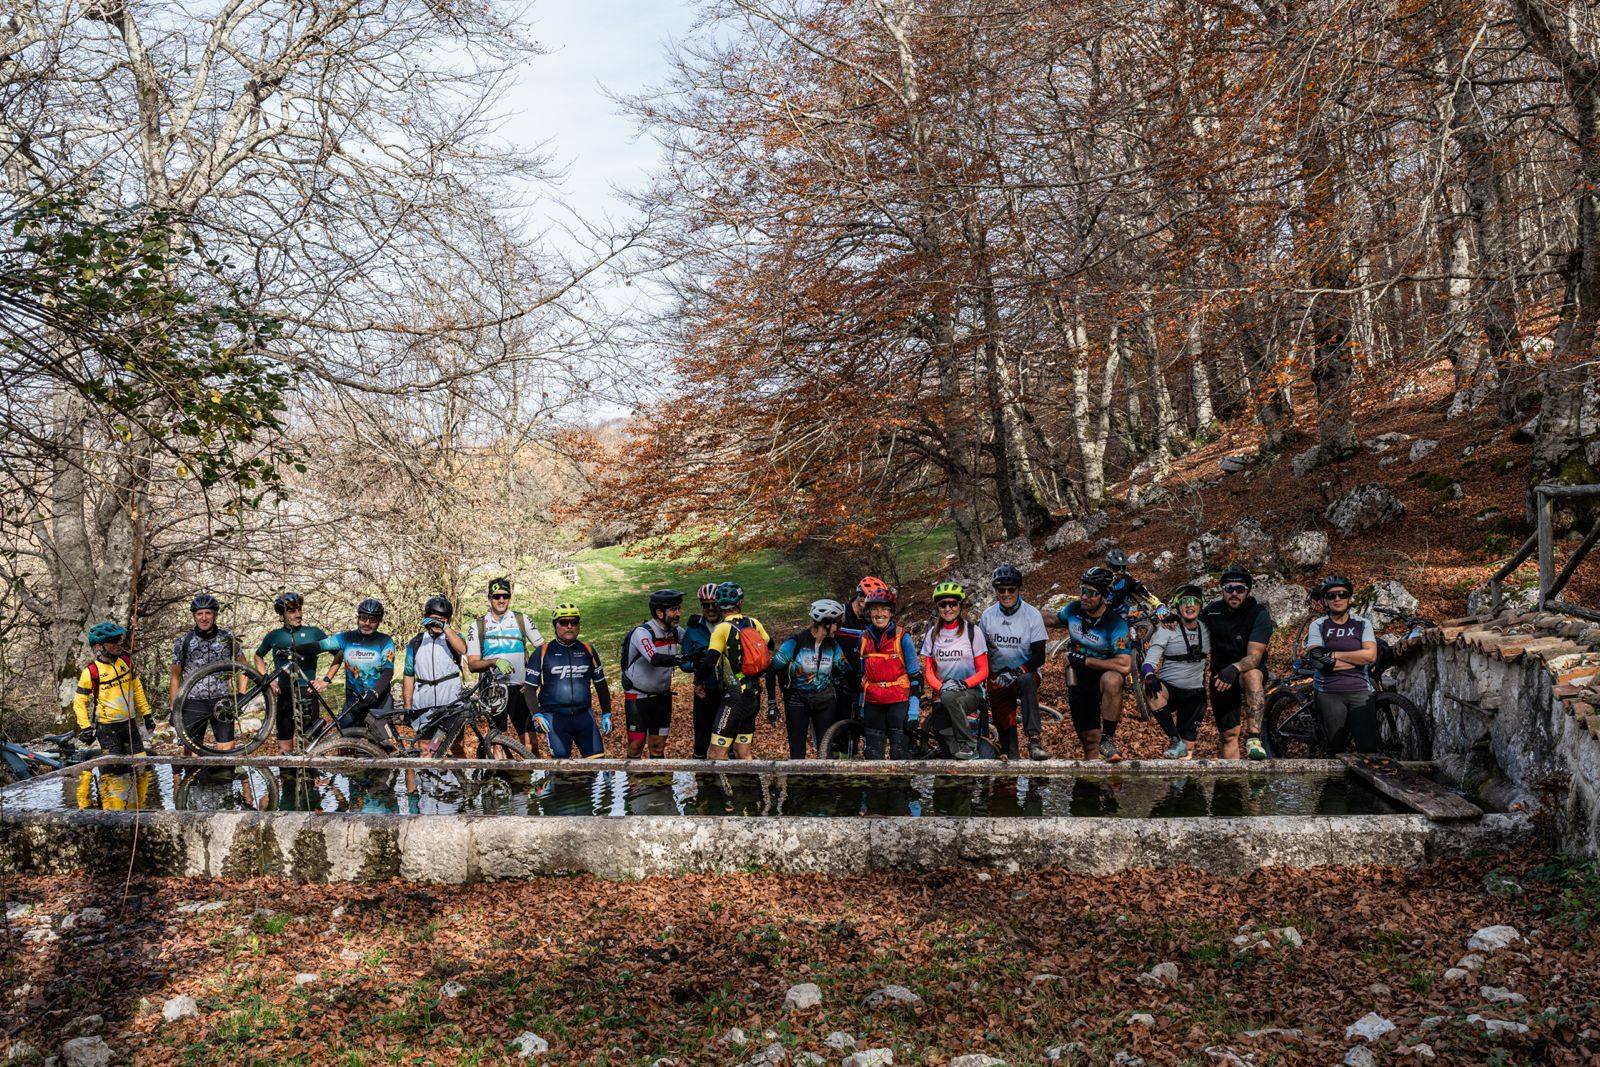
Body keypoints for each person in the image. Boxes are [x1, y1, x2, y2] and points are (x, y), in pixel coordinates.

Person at [1054, 567, 1133, 760]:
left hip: (1102, 676)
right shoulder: (1073, 609)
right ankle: (1092, 783)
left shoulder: (1116, 625)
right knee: (1089, 739)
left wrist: (1086, 660)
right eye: (1082, 590)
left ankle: (1108, 738)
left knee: (1113, 679)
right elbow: (1051, 619)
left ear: (1103, 596)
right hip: (1079, 678)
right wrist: (1021, 612)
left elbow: (1124, 665)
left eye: (1091, 593)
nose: (1084, 597)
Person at [1199, 564, 1275, 760]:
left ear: (1247, 591)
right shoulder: (1211, 612)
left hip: (1245, 670)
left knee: (1251, 674)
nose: (1234, 593)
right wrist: (1172, 619)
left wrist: (1235, 668)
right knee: (1228, 736)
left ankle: (1254, 738)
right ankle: (1230, 784)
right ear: (1222, 590)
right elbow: (1190, 628)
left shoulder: (1258, 614)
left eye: (1240, 589)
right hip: (1220, 676)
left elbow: (1255, 657)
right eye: (1229, 588)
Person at [696, 581, 777, 760]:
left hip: (733, 698)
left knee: (715, 753)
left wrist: (698, 682)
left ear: (718, 604)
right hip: (753, 696)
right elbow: (770, 644)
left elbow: (710, 661)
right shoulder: (753, 623)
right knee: (743, 751)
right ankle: (748, 788)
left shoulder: (722, 629)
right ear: (740, 602)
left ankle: (725, 789)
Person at [978, 564, 1050, 760]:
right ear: (996, 591)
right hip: (997, 675)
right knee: (1008, 741)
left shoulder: (1032, 614)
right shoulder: (988, 616)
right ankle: (1011, 754)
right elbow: (980, 651)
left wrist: (1017, 671)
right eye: (1002, 590)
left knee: (1026, 680)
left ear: (1018, 589)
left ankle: (1034, 740)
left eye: (1011, 589)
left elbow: (1039, 656)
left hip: (1024, 672)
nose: (1007, 594)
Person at [465, 577, 544, 752]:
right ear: (489, 598)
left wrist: (534, 680)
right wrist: (493, 661)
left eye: (505, 596)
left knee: (531, 742)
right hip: (493, 689)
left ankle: (533, 778)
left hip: (521, 687)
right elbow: (472, 664)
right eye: (496, 596)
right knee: (497, 743)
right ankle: (501, 778)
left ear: (510, 597)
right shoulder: (477, 626)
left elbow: (543, 651)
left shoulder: (521, 619)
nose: (501, 600)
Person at [1304, 574, 1380, 753]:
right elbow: (1318, 659)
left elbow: (1370, 656)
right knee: (1336, 748)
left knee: (1368, 747)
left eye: (1342, 594)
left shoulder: (1362, 623)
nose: (1337, 598)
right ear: (1325, 601)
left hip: (1360, 689)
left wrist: (1334, 654)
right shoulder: (1318, 625)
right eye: (1331, 596)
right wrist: (1356, 661)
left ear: (1349, 598)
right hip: (1329, 691)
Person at [526, 603, 613, 759]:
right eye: (564, 622)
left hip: (584, 717)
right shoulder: (543, 652)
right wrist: (537, 714)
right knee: (561, 771)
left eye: (574, 622)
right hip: (555, 719)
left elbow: (601, 685)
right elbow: (529, 688)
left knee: (598, 765)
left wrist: (606, 712)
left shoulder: (588, 650)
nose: (569, 626)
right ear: (555, 625)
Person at [308, 598, 398, 742]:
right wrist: (292, 650)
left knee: (382, 745)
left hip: (379, 700)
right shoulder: (346, 638)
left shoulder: (385, 640)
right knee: (344, 742)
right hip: (353, 701)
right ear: (358, 618)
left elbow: (388, 671)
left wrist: (375, 691)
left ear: (379, 621)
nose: (367, 623)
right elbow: (319, 646)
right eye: (363, 618)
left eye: (372, 619)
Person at [773, 599, 851, 758]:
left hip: (825, 700)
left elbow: (845, 670)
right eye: (836, 624)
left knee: (825, 750)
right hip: (797, 701)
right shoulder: (795, 643)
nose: (838, 628)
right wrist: (771, 703)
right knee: (797, 752)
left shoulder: (833, 646)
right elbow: (772, 669)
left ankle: (821, 781)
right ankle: (797, 782)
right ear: (826, 623)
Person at [918, 581, 988, 760]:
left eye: (953, 603)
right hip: (943, 693)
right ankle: (958, 762)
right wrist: (942, 688)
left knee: (949, 697)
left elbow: (984, 671)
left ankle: (969, 745)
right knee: (947, 745)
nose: (948, 608)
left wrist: (962, 683)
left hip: (971, 692)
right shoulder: (932, 634)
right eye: (943, 604)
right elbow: (929, 672)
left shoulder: (973, 632)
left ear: (960, 606)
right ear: (938, 607)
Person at [255, 591, 331, 753]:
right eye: (292, 611)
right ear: (282, 615)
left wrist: (326, 679)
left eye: (299, 609)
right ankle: (287, 777)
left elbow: (338, 652)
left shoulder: (314, 632)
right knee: (284, 747)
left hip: (308, 692)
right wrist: (267, 679)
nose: (298, 614)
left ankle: (310, 778)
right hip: (284, 693)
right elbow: (258, 656)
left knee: (310, 748)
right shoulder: (274, 636)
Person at [1141, 583, 1210, 759]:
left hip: (1195, 694)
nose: (1189, 605)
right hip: (1170, 689)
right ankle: (1174, 740)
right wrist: (1149, 674)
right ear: (1178, 606)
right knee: (1150, 689)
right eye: (1185, 601)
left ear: (1200, 605)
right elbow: (1149, 661)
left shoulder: (1208, 628)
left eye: (1194, 601)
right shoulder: (1167, 628)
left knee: (1187, 752)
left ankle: (1180, 785)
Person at [856, 585, 922, 760]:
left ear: (891, 612)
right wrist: (861, 710)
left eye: (884, 609)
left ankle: (901, 789)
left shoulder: (903, 638)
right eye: (875, 609)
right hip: (873, 704)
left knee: (899, 754)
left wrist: (914, 713)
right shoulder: (863, 638)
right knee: (872, 756)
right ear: (869, 612)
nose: (879, 614)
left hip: (898, 702)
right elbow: (863, 678)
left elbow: (916, 679)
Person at [170, 594, 240, 751]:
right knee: (192, 750)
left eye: (208, 613)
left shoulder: (227, 638)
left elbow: (243, 667)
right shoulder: (183, 641)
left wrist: (241, 694)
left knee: (227, 748)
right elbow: (175, 676)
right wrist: (174, 707)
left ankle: (225, 776)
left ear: (215, 615)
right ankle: (193, 776)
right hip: (193, 700)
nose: (204, 618)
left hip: (221, 699)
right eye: (199, 614)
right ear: (194, 616)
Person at [621, 589, 685, 758]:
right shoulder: (642, 632)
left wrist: (696, 627)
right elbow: (654, 658)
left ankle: (657, 785)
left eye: (678, 609)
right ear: (659, 612)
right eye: (673, 610)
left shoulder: (675, 631)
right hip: (638, 698)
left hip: (662, 698)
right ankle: (632, 784)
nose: (678, 614)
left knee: (658, 747)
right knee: (636, 746)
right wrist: (682, 658)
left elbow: (696, 643)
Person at [74, 621, 152, 756]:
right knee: (114, 771)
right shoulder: (91, 671)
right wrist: (86, 727)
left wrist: (147, 715)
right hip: (107, 729)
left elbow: (137, 689)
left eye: (119, 639)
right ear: (99, 646)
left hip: (130, 724)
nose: (118, 644)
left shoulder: (126, 662)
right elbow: (79, 702)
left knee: (142, 765)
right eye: (112, 641)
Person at [402, 596, 468, 754]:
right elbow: (408, 675)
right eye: (434, 619)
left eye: (443, 619)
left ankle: (460, 779)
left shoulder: (453, 638)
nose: (438, 622)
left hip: (451, 701)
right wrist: (407, 706)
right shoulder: (416, 642)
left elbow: (463, 649)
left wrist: (446, 628)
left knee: (455, 745)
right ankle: (430, 776)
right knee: (426, 748)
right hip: (425, 702)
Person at [680, 582, 723, 759]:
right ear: (701, 606)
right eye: (706, 605)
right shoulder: (693, 629)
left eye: (715, 605)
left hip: (729, 690)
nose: (711, 609)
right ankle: (704, 783)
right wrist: (696, 665)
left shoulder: (730, 625)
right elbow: (683, 662)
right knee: (702, 739)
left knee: (727, 739)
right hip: (704, 690)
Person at [1105, 547, 1163, 621]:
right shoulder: (1102, 581)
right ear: (1110, 568)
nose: (1121, 571)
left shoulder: (1127, 579)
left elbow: (1145, 593)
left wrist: (1159, 605)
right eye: (1117, 568)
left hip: (1126, 613)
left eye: (1123, 567)